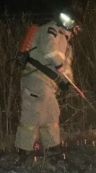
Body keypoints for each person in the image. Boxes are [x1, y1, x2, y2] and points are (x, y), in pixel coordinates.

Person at [15, 10, 80, 156]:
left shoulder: (68, 46)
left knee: (52, 113)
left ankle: (52, 147)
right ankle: (24, 150)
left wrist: (67, 82)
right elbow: (49, 50)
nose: (75, 30)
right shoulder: (51, 29)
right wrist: (59, 68)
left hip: (49, 84)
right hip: (35, 78)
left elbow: (66, 67)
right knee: (33, 114)